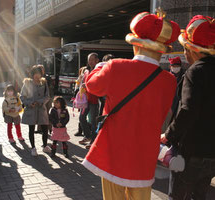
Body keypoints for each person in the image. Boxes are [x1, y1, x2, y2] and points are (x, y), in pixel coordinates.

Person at [82, 11, 180, 199]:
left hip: (113, 152)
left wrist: (99, 67)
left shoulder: (115, 67)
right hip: (143, 156)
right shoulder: (169, 80)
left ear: (136, 44)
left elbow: (91, 86)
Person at [161, 15, 215, 200]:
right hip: (212, 154)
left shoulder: (195, 71)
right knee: (200, 196)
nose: (184, 53)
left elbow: (188, 110)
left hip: (190, 152)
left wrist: (168, 135)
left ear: (193, 49)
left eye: (185, 48)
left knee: (177, 196)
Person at [20, 65, 51, 156]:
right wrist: (30, 103)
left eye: (39, 74)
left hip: (41, 109)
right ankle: (33, 148)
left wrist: (40, 102)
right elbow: (22, 96)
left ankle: (45, 146)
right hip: (31, 109)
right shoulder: (27, 83)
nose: (37, 76)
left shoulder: (44, 83)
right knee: (31, 129)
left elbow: (47, 96)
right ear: (32, 74)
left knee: (45, 128)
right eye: (35, 74)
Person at [78, 53, 99, 145]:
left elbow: (97, 84)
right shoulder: (86, 71)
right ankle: (88, 135)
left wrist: (86, 85)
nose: (90, 62)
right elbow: (82, 82)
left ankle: (93, 140)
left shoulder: (99, 71)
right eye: (89, 60)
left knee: (94, 121)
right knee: (81, 118)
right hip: (85, 99)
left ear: (97, 60)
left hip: (94, 99)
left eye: (92, 60)